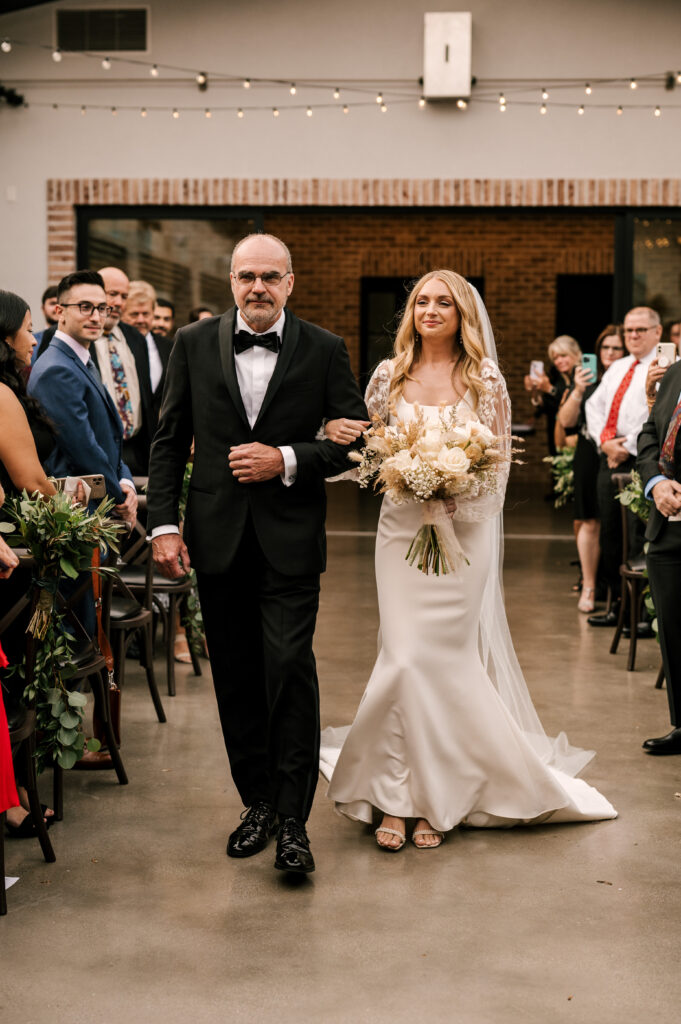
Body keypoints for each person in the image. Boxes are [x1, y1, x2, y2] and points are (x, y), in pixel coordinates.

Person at [319, 270, 616, 852]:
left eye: (444, 303)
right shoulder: (388, 375)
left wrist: (455, 493)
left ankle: (436, 798)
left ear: (462, 316)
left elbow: (500, 467)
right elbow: (370, 453)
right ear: (412, 313)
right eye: (422, 301)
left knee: (446, 661)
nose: (431, 310)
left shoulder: (485, 379)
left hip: (466, 536)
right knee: (403, 657)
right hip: (401, 532)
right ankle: (394, 794)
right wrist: (403, 477)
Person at [147, 232, 367, 875]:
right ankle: (258, 803)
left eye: (271, 276)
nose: (258, 288)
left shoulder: (325, 349)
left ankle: (296, 821)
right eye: (247, 276)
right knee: (237, 678)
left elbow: (355, 442)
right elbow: (168, 441)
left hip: (291, 541)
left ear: (290, 283)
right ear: (231, 282)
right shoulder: (191, 344)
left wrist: (288, 458)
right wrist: (164, 526)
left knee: (290, 669)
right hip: (216, 542)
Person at [27, 271, 137, 527]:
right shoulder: (57, 369)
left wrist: (127, 481)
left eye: (102, 308)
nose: (96, 317)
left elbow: (108, 438)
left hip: (97, 505)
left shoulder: (81, 359)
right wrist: (121, 498)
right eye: (85, 307)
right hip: (77, 512)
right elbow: (83, 449)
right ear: (59, 311)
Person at [585, 307, 660, 628]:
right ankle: (617, 606)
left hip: (643, 459)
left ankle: (640, 614)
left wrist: (626, 446)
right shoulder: (618, 367)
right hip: (609, 456)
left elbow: (658, 416)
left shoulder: (665, 367)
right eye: (629, 330)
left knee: (639, 535)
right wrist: (605, 443)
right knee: (612, 535)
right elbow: (594, 405)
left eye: (641, 330)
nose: (633, 336)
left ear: (657, 332)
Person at [557, 325, 625, 613]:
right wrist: (579, 390)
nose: (609, 353)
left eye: (616, 348)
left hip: (620, 450)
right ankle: (589, 584)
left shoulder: (628, 377)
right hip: (589, 451)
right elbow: (566, 421)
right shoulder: (588, 380)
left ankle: (617, 588)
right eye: (605, 348)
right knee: (589, 519)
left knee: (615, 521)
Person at [637, 355, 681, 754]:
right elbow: (649, 433)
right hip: (667, 523)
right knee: (673, 626)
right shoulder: (675, 374)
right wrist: (656, 483)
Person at [122, 280, 172, 420]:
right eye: (134, 314)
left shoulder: (168, 347)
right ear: (122, 313)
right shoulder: (113, 347)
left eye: (146, 314)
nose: (141, 320)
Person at [524, 336, 582, 457]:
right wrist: (535, 391)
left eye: (563, 355)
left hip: (575, 438)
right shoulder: (558, 377)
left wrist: (550, 389)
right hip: (556, 436)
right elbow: (545, 403)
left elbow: (571, 402)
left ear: (576, 354)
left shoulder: (581, 375)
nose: (559, 361)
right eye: (555, 358)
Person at [31, 285, 59, 358]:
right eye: (52, 303)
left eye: (60, 304)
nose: (57, 308)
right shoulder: (32, 341)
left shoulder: (78, 341)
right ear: (43, 309)